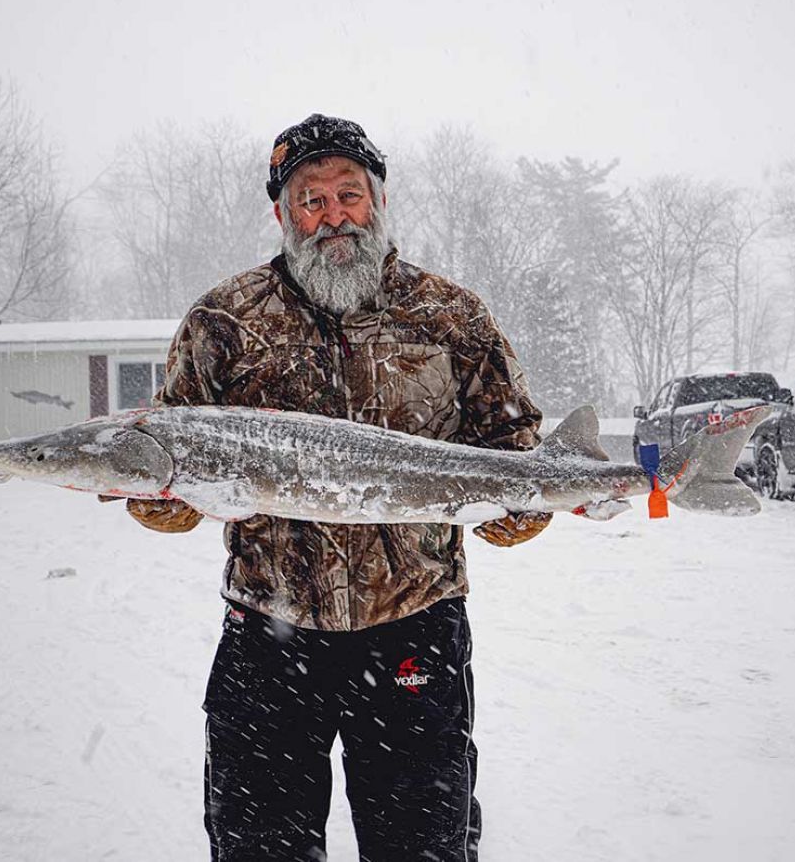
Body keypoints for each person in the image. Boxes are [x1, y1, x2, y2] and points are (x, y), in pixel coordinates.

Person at [124, 113, 551, 861]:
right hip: (268, 634)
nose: (333, 216)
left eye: (347, 194)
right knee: (257, 848)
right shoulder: (224, 321)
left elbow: (515, 452)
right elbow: (163, 462)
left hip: (413, 630)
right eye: (310, 201)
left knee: (424, 846)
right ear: (283, 215)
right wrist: (158, 503)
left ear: (379, 200)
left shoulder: (451, 317)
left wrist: (521, 513)